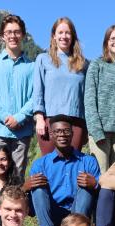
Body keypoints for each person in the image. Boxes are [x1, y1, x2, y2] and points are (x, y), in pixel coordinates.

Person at [24, 115, 100, 226]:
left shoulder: (88, 161)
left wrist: (95, 184)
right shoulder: (40, 164)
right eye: (57, 131)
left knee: (86, 187)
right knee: (38, 189)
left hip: (78, 213)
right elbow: (31, 209)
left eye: (66, 131)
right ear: (51, 135)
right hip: (52, 215)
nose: (62, 135)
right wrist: (25, 188)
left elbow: (103, 196)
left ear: (72, 133)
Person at [0, 14, 34, 178]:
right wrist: (5, 117)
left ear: (23, 35)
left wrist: (19, 117)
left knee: (17, 177)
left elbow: (36, 97)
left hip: (22, 131)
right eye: (9, 32)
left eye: (17, 32)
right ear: (2, 36)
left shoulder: (33, 67)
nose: (13, 36)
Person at [32, 17, 88, 154]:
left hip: (76, 122)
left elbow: (87, 96)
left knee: (74, 166)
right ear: (54, 36)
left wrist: (88, 126)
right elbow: (38, 91)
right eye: (60, 32)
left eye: (68, 33)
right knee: (50, 166)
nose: (64, 36)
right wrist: (39, 118)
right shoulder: (43, 59)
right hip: (50, 122)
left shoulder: (84, 64)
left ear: (73, 36)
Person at [84, 24, 115, 171]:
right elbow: (89, 100)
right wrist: (96, 131)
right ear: (106, 41)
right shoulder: (97, 65)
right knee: (101, 178)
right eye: (113, 38)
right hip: (100, 133)